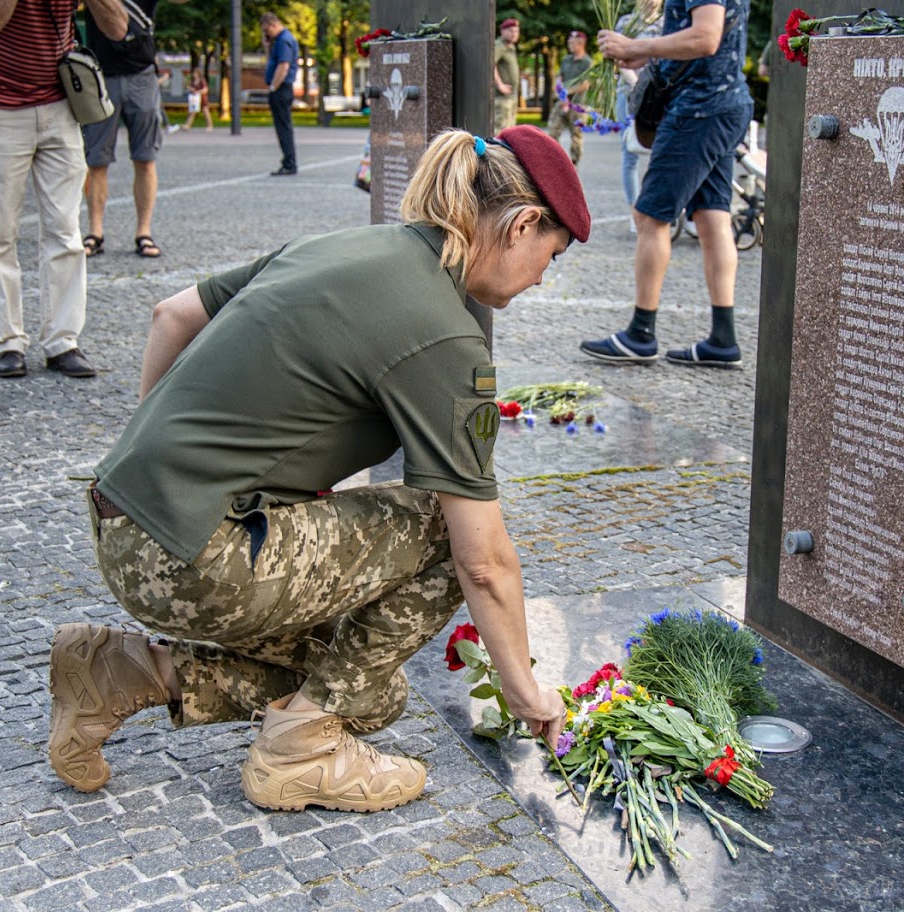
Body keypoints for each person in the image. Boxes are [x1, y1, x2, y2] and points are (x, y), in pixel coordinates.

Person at [45, 125, 590, 813]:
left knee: (371, 690)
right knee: (440, 526)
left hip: (121, 517)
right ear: (522, 224)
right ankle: (299, 750)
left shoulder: (342, 246)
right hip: (197, 561)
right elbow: (483, 561)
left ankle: (122, 671)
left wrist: (169, 469)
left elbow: (171, 315)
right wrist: (524, 689)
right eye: (552, 253)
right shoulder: (446, 336)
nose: (543, 276)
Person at [581, 0, 754, 369]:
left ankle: (641, 334)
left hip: (698, 109)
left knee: (650, 216)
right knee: (712, 218)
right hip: (725, 102)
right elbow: (709, 44)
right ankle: (722, 340)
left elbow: (706, 37)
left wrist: (635, 47)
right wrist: (650, 59)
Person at [0, 0, 127, 379]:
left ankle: (62, 342)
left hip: (60, 105)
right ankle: (8, 341)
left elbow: (118, 27)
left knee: (65, 229)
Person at [82, 0, 165, 260]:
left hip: (142, 74)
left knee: (145, 159)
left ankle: (144, 231)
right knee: (96, 160)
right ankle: (95, 231)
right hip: (100, 73)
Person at [615, 0, 663, 233]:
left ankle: (655, 209)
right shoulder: (627, 23)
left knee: (662, 153)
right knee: (631, 153)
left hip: (660, 95)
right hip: (630, 93)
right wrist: (636, 84)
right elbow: (618, 58)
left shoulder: (666, 23)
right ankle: (635, 211)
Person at [261, 11, 299, 176]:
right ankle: (288, 161)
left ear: (273, 25)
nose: (266, 34)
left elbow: (283, 66)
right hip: (281, 88)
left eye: (266, 31)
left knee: (283, 127)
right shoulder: (281, 40)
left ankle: (289, 163)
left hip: (281, 89)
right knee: (283, 126)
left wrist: (273, 87)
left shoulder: (284, 40)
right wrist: (267, 46)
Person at [547, 31, 591, 166]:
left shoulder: (587, 62)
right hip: (562, 103)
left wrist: (567, 93)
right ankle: (556, 160)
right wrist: (560, 92)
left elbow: (584, 85)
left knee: (576, 136)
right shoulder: (566, 60)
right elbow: (559, 78)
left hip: (577, 105)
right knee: (552, 132)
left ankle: (573, 164)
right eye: (569, 43)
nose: (569, 45)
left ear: (581, 44)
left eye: (572, 43)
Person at [493, 18, 521, 134]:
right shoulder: (499, 45)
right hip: (502, 98)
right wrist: (499, 84)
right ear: (502, 31)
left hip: (511, 96)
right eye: (510, 31)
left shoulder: (511, 47)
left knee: (510, 131)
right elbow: (490, 63)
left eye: (516, 31)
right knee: (500, 130)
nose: (514, 34)